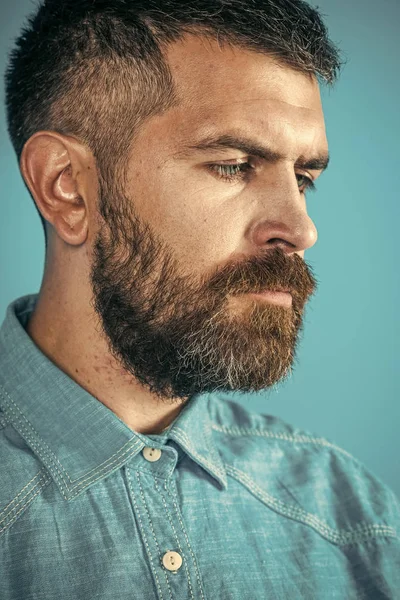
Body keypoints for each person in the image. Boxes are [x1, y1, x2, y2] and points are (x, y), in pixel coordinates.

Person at [1, 0, 399, 598]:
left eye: (305, 178)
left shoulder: (356, 520)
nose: (300, 227)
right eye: (235, 165)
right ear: (68, 189)